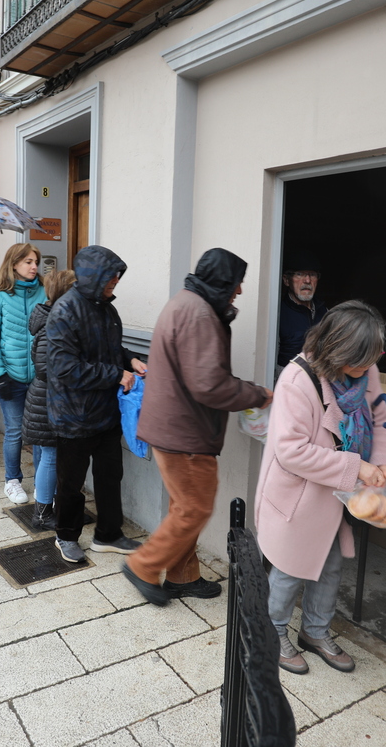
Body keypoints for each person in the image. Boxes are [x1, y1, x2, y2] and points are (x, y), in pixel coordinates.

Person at [255, 301, 386, 675]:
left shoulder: (366, 368)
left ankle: (315, 632)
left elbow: (381, 420)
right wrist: (358, 467)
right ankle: (273, 631)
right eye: (359, 362)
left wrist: (383, 464)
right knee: (290, 567)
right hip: (300, 495)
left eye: (371, 360)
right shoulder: (297, 379)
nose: (367, 370)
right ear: (337, 351)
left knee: (331, 564)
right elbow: (291, 452)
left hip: (342, 494)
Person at [123, 249, 272, 605]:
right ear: (224, 281)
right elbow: (209, 385)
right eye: (237, 283)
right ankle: (143, 565)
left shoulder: (186, 302)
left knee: (183, 507)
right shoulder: (200, 314)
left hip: (174, 428)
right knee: (196, 508)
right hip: (185, 433)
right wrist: (257, 394)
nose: (238, 291)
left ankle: (183, 575)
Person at [46, 245, 147, 563]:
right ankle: (66, 535)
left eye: (117, 277)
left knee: (109, 475)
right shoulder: (64, 312)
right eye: (110, 277)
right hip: (72, 415)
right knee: (71, 483)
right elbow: (65, 368)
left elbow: (111, 347)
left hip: (105, 413)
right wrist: (116, 374)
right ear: (93, 277)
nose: (115, 282)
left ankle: (108, 534)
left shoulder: (107, 308)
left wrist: (130, 359)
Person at [0, 243, 48, 504]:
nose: (34, 267)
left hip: (40, 379)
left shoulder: (45, 292)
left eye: (36, 262)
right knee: (15, 431)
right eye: (28, 262)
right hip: (10, 376)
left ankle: (44, 482)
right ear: (14, 264)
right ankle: (12, 481)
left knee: (42, 432)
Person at [22, 269, 75, 530]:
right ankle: (42, 513)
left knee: (45, 454)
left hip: (45, 399)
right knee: (51, 456)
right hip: (49, 400)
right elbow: (44, 368)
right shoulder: (53, 322)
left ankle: (44, 504)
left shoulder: (49, 317)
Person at [277, 259, 327, 372]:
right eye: (300, 274)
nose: (307, 280)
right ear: (286, 280)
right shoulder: (278, 315)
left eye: (312, 275)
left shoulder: (325, 313)